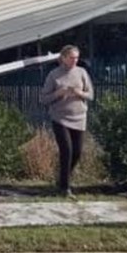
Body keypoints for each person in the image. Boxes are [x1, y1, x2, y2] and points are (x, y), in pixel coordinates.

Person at [39, 44, 94, 199]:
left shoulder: (82, 72)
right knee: (66, 150)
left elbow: (91, 95)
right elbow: (43, 98)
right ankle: (65, 187)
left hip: (79, 117)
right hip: (60, 118)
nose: (74, 61)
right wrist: (58, 93)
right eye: (71, 57)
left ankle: (63, 178)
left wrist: (79, 93)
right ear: (63, 58)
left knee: (77, 152)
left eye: (76, 58)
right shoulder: (54, 75)